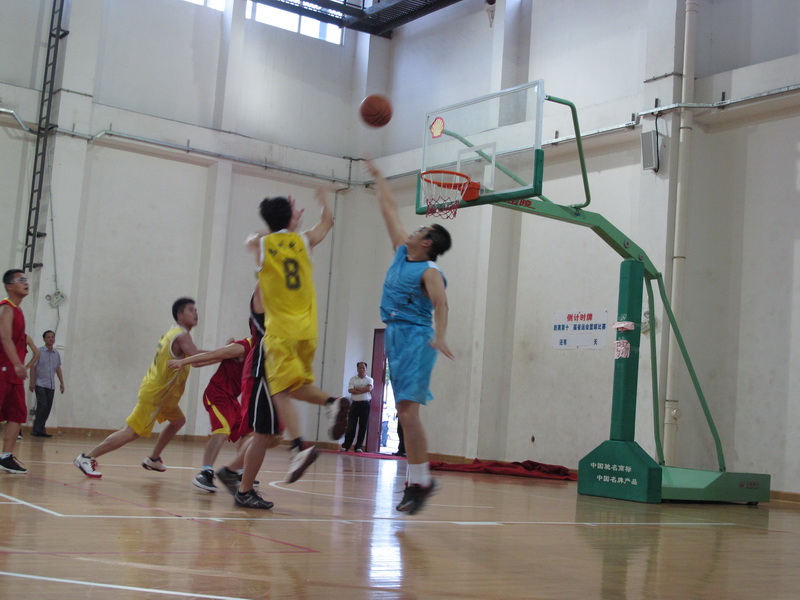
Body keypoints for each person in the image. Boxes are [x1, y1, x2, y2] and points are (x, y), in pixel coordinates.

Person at [235, 190, 350, 509]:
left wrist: (281, 221)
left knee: (281, 392)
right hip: (308, 330)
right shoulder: (304, 240)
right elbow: (327, 222)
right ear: (290, 218)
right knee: (294, 387)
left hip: (280, 332)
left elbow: (250, 240)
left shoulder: (262, 244)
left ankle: (299, 447)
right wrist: (322, 201)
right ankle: (331, 403)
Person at [366, 160, 454, 515]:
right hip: (395, 334)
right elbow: (389, 210)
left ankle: (420, 481)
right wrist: (380, 178)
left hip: (417, 339)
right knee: (404, 413)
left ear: (427, 242)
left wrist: (441, 336)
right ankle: (418, 481)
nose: (412, 232)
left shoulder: (430, 271)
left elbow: (441, 304)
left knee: (407, 411)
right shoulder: (403, 252)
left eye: (419, 230)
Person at [73, 298, 203, 478]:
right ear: (180, 315)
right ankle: (87, 457)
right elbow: (197, 357)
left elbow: (194, 359)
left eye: (195, 310)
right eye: (191, 310)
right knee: (131, 432)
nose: (195, 313)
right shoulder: (182, 336)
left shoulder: (172, 332)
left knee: (178, 421)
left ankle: (154, 459)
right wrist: (227, 353)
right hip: (157, 394)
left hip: (165, 396)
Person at [167, 336, 253, 492]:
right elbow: (213, 355)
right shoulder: (242, 347)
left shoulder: (259, 351)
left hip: (232, 398)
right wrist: (183, 362)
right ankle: (205, 472)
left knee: (248, 431)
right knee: (222, 431)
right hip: (217, 394)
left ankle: (238, 471)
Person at [0, 270, 40, 473]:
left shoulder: (19, 311)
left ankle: (5, 456)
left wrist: (19, 367)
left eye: (26, 280)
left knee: (17, 414)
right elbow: (4, 338)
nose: (26, 283)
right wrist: (17, 364)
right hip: (3, 369)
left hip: (14, 375)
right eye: (21, 280)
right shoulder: (5, 308)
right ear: (9, 286)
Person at [29, 330, 65, 437]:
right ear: (44, 339)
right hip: (40, 383)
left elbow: (58, 368)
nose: (51, 339)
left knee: (47, 407)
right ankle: (36, 430)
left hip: (51, 385)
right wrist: (32, 382)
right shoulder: (38, 352)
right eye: (48, 337)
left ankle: (41, 429)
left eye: (52, 337)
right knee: (42, 405)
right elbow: (33, 367)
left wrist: (62, 382)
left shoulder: (56, 353)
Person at [341, 361, 374, 452]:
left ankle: (358, 446)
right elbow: (351, 390)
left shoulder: (370, 379)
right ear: (357, 369)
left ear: (366, 369)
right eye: (360, 368)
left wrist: (357, 388)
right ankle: (346, 446)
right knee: (351, 426)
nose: (361, 369)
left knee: (363, 426)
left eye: (363, 368)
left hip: (365, 404)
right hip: (355, 404)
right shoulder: (353, 379)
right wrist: (363, 389)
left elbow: (369, 389)